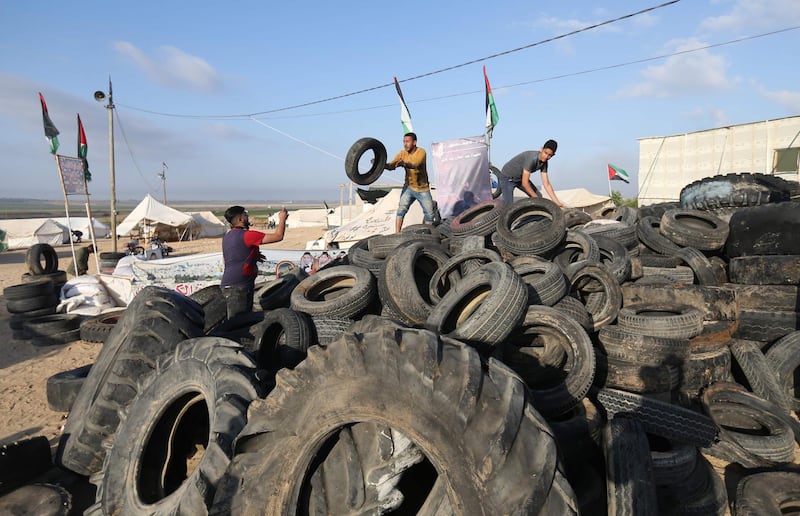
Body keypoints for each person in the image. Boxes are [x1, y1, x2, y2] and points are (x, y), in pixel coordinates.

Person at [221, 205, 288, 318]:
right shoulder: (247, 235)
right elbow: (278, 236)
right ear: (240, 219)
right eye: (245, 215)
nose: (248, 217)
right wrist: (282, 218)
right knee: (240, 324)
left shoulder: (227, 236)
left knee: (232, 323)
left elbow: (233, 256)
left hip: (227, 285)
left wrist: (254, 255)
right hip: (240, 287)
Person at [385, 132, 436, 232]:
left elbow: (415, 164)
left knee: (429, 214)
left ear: (414, 142)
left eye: (408, 141)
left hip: (422, 189)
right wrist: (380, 165)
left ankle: (427, 235)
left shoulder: (421, 152)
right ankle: (397, 234)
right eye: (404, 142)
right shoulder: (402, 153)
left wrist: (404, 164)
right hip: (409, 187)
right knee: (401, 210)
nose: (405, 144)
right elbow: (391, 166)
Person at [498, 139, 566, 207]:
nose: (546, 157)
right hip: (507, 178)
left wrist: (557, 203)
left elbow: (547, 184)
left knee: (539, 196)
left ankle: (532, 216)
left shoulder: (544, 163)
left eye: (549, 155)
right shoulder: (531, 158)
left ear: (553, 155)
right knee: (509, 206)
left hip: (520, 178)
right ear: (542, 149)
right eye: (545, 153)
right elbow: (525, 183)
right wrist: (537, 199)